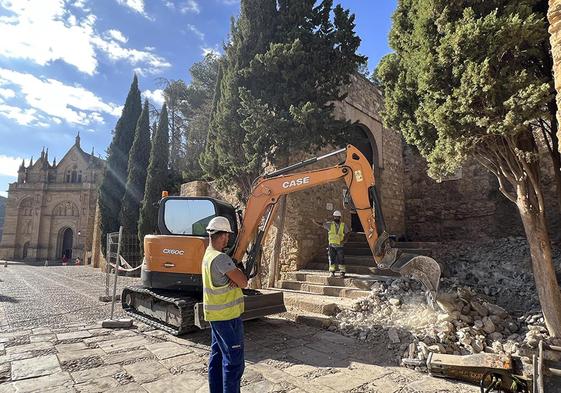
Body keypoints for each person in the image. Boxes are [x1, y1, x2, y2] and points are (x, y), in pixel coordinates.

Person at [203, 216, 248, 393]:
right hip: (227, 318)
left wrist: (234, 277)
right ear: (221, 236)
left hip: (215, 317)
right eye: (227, 236)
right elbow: (243, 282)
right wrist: (237, 278)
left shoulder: (207, 255)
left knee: (217, 358)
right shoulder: (221, 259)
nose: (228, 239)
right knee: (234, 362)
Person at [313, 210, 350, 277]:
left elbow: (347, 232)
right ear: (334, 217)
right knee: (331, 259)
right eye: (335, 217)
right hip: (331, 245)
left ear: (340, 217)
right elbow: (322, 224)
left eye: (337, 217)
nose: (336, 218)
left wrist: (345, 240)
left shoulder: (343, 225)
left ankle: (342, 272)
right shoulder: (330, 224)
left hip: (340, 245)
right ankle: (332, 272)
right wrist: (315, 222)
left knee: (341, 259)